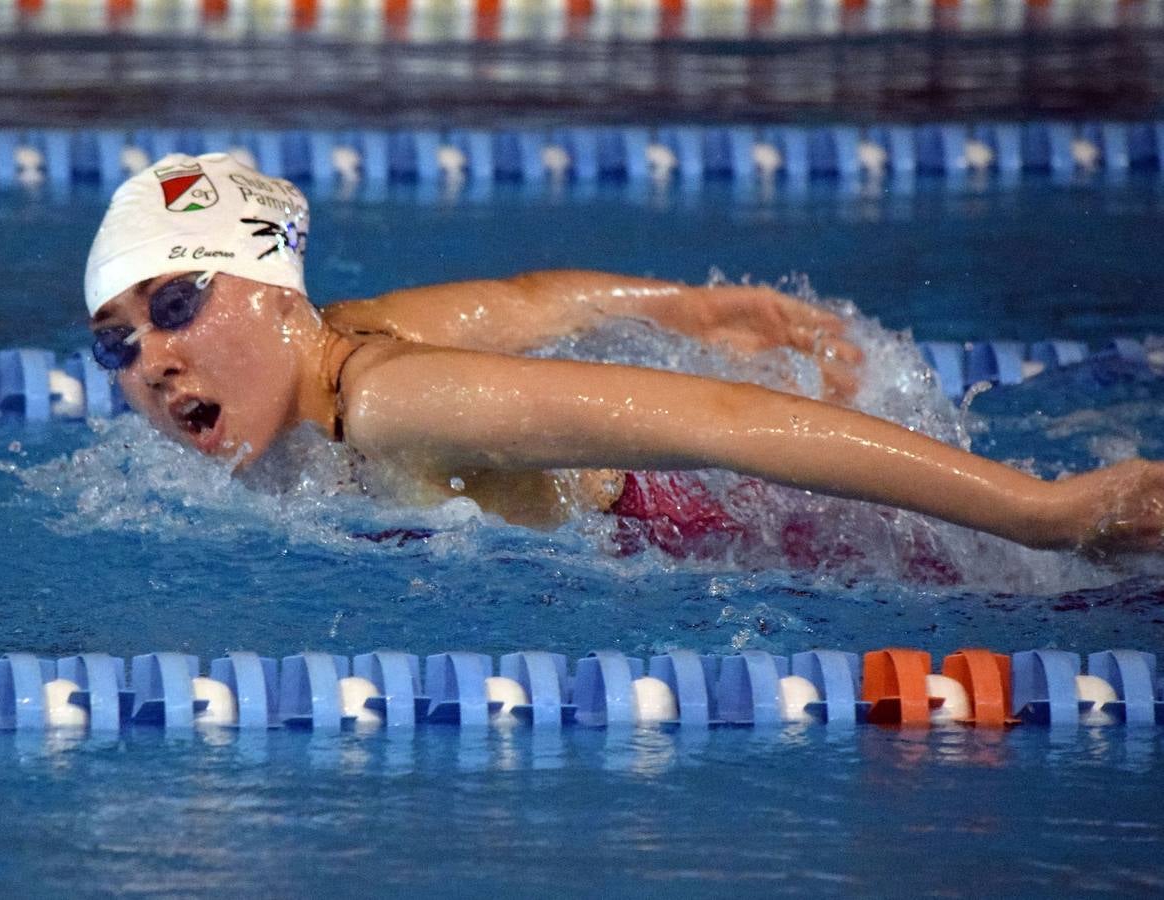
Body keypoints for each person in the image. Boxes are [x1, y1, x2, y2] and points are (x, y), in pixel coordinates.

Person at [84, 152, 1164, 561]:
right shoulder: (351, 333)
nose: (151, 361)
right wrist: (690, 305)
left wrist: (1039, 514)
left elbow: (719, 425)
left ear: (278, 297)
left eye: (177, 300)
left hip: (806, 529)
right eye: (115, 341)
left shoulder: (400, 402)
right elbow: (525, 300)